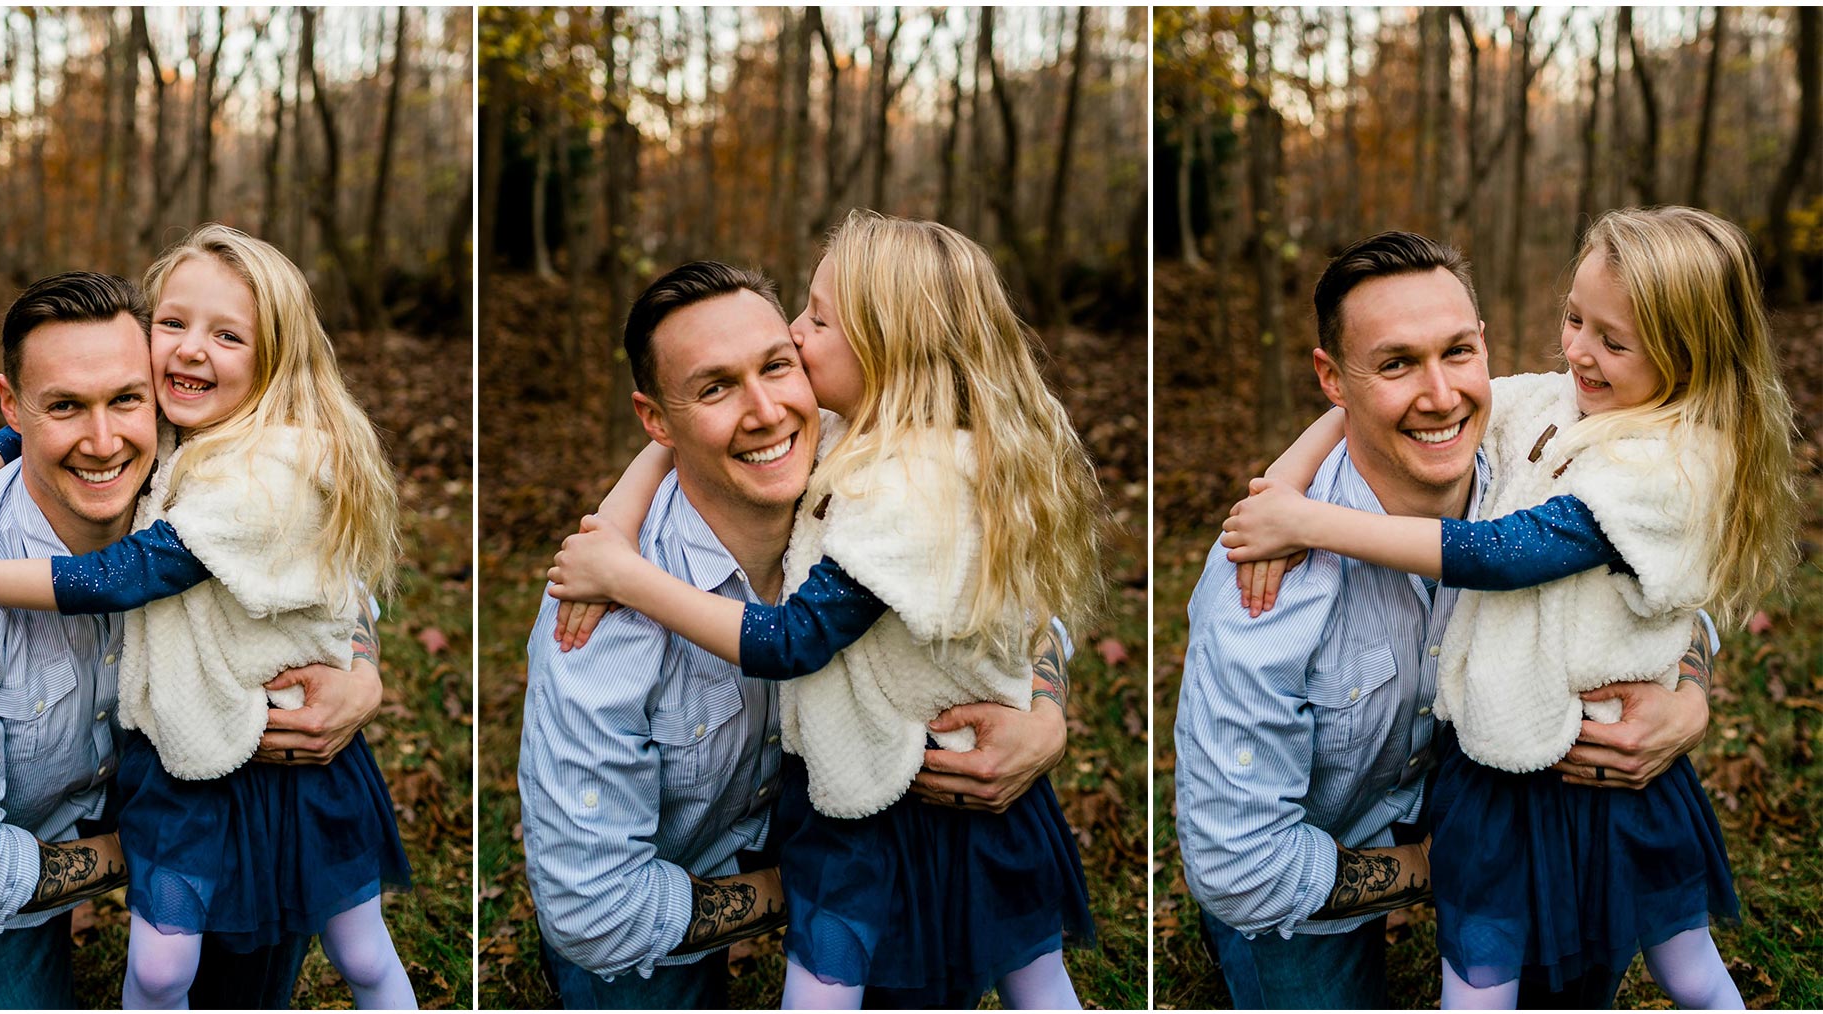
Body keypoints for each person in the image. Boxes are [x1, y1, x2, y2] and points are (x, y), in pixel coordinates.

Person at [1219, 208, 1795, 1009]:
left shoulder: (1670, 465)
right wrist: (1282, 484)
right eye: (1573, 318)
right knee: (1478, 977)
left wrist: (1313, 523)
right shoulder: (1571, 402)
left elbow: (1506, 556)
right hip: (1496, 767)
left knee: (1681, 963)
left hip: (1602, 773)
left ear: (1686, 354)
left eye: (1612, 341)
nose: (1577, 352)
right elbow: (1406, 399)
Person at [547, 212, 1103, 1009]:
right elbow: (681, 429)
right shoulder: (878, 435)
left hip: (899, 799)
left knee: (966, 978)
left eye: (811, 322)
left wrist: (630, 577)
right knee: (1021, 972)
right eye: (715, 386)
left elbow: (794, 640)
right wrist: (619, 529)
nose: (798, 340)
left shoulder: (908, 491)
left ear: (885, 349)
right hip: (874, 806)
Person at [0, 227, 416, 1009]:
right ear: (16, 405)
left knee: (257, 984)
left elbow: (328, 578)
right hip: (12, 851)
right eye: (64, 406)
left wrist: (362, 672)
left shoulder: (205, 457)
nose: (103, 441)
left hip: (220, 790)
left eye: (125, 398)